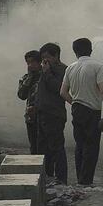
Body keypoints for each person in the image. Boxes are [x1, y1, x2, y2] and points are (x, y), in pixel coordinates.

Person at [60, 38, 103, 186]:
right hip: (92, 111)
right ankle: (86, 181)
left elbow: (63, 92)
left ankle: (80, 179)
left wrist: (76, 103)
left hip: (77, 109)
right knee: (92, 145)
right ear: (90, 50)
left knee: (80, 144)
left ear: (75, 51)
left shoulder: (70, 68)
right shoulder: (97, 66)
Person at [37, 43, 68, 185]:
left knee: (57, 147)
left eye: (47, 57)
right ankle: (48, 176)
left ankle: (61, 178)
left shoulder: (63, 70)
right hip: (43, 113)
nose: (44, 60)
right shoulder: (45, 69)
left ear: (56, 56)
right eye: (43, 58)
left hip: (54, 114)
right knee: (45, 148)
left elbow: (58, 88)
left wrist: (48, 73)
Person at [17, 50, 41, 155]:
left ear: (39, 62)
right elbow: (21, 95)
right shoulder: (25, 78)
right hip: (31, 117)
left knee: (46, 146)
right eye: (28, 62)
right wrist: (30, 78)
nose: (30, 65)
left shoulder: (46, 76)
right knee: (34, 146)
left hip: (45, 116)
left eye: (33, 62)